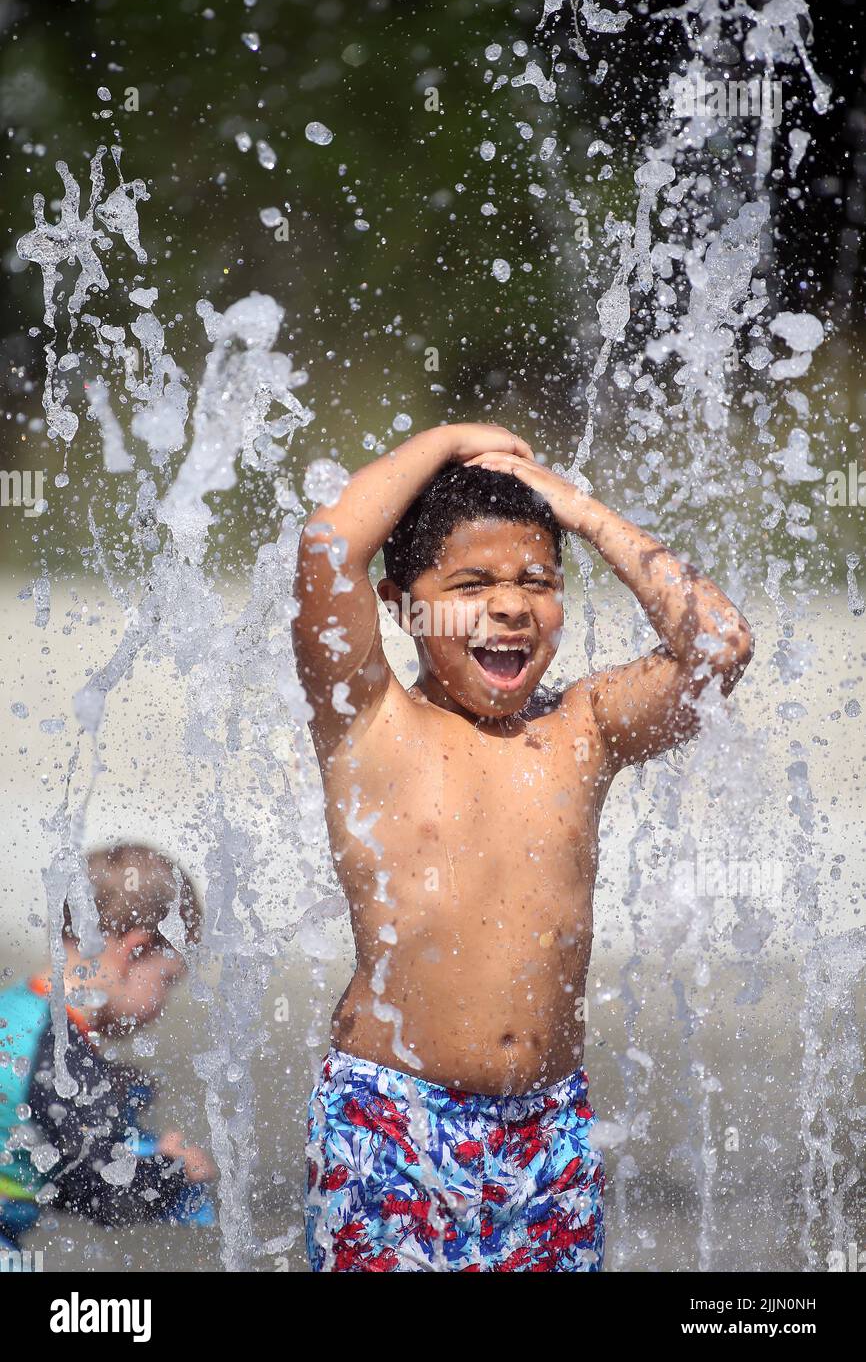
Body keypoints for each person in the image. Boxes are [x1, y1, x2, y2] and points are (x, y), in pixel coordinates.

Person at [292, 423, 753, 1272]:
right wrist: (450, 439)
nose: (510, 605)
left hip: (550, 1130)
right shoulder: (372, 720)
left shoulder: (584, 728)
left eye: (537, 582)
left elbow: (720, 646)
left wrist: (582, 513)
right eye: (471, 583)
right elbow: (326, 549)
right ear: (401, 603)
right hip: (390, 1119)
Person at [0, 844, 216, 1253]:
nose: (164, 1003)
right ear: (134, 951)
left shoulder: (20, 1009)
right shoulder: (62, 1055)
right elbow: (100, 1190)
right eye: (167, 979)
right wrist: (175, 1171)